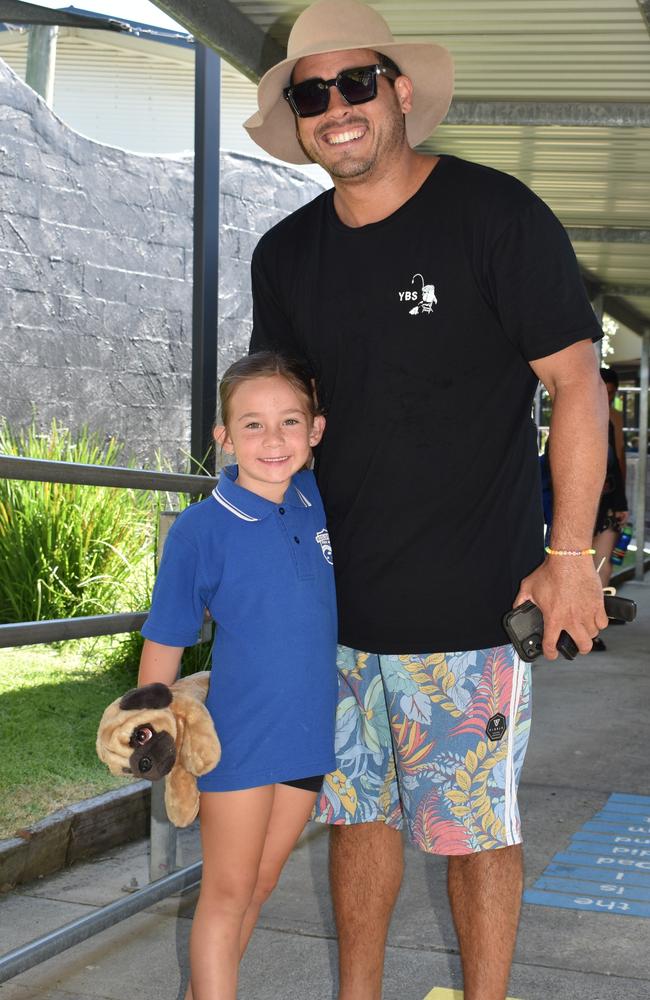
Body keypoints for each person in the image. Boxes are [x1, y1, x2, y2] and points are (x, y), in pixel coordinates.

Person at [244, 2, 609, 997]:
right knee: (354, 821)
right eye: (310, 94)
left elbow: (577, 383)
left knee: (474, 833)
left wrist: (569, 555)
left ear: (400, 93)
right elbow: (284, 430)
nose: (334, 108)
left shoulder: (494, 218)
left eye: (354, 82)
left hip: (470, 615)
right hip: (336, 617)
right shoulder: (284, 257)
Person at [137, 352, 337, 1000]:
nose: (272, 440)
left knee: (261, 882)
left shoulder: (314, 501)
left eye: (288, 422)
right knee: (226, 891)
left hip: (307, 736)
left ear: (315, 431)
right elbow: (166, 638)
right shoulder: (201, 530)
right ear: (223, 437)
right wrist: (147, 724)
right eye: (252, 425)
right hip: (238, 738)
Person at [592, 368, 628, 590]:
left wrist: (621, 503)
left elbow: (620, 457)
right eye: (601, 392)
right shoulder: (578, 414)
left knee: (603, 566)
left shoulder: (614, 417)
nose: (606, 398)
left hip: (609, 498)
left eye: (611, 393)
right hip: (583, 499)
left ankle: (598, 617)